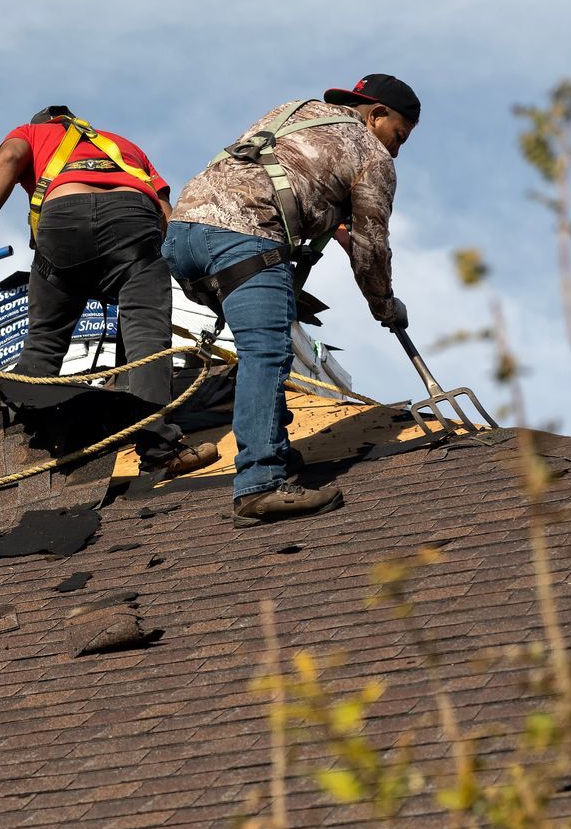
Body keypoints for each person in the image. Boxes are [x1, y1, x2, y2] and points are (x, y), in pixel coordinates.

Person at [163, 74, 418, 526]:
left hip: (184, 236)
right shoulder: (371, 155)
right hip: (243, 240)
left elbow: (282, 179)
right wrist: (385, 304)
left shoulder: (295, 112)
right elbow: (372, 248)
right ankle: (260, 483)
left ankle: (271, 446)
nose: (396, 149)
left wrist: (332, 224)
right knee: (267, 352)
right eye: (398, 135)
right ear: (376, 115)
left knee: (261, 343)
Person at [0, 106, 218, 478]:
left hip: (63, 221)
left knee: (45, 340)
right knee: (146, 335)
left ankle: (19, 441)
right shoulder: (123, 145)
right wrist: (164, 268)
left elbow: (9, 157)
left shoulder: (32, 134)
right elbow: (164, 210)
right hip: (133, 220)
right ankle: (160, 449)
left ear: (43, 125)